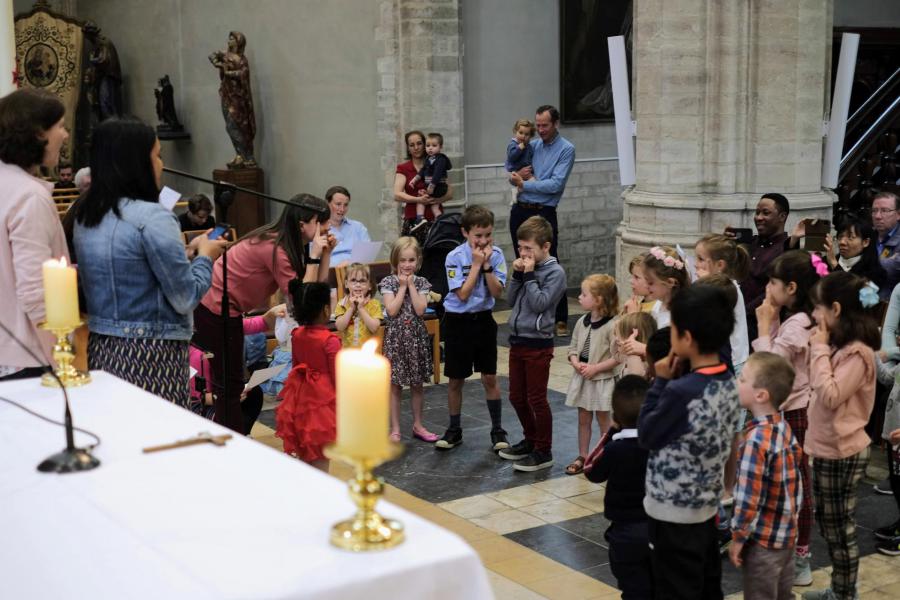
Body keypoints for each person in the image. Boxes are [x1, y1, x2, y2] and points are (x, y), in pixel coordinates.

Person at [74, 118, 226, 404]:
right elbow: (185, 296)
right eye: (157, 155)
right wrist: (206, 257)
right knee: (157, 437)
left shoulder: (87, 216)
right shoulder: (154, 217)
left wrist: (187, 253)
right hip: (151, 353)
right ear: (137, 162)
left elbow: (132, 271)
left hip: (102, 347)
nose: (161, 164)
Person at [193, 194, 333, 433]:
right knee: (230, 389)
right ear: (302, 225)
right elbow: (303, 301)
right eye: (321, 223)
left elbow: (313, 295)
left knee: (234, 387)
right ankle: (231, 448)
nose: (327, 228)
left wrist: (326, 254)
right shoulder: (275, 248)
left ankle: (234, 440)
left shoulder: (285, 243)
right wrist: (315, 256)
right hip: (213, 310)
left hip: (227, 313)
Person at [638, 284, 739, 598]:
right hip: (706, 507)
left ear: (687, 339)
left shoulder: (682, 391)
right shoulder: (729, 380)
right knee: (706, 585)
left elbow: (647, 434)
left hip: (671, 513)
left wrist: (660, 382)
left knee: (674, 588)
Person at [802, 272, 879, 600]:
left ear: (835, 309)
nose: (814, 316)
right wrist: (818, 347)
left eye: (818, 309)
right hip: (826, 447)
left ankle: (845, 594)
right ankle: (839, 587)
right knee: (830, 527)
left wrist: (819, 350)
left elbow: (831, 395)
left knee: (841, 530)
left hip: (843, 450)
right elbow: (814, 381)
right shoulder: (836, 344)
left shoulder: (858, 353)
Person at [753, 249, 820, 585]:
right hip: (790, 410)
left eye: (773, 282)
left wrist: (765, 323)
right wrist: (772, 317)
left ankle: (801, 556)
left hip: (797, 413)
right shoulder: (797, 318)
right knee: (785, 484)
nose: (768, 287)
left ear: (791, 287)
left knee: (799, 488)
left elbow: (771, 369)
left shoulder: (799, 323)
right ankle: (783, 546)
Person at [0, 89, 70, 381]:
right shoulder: (28, 196)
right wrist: (61, 361)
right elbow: (36, 290)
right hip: (24, 357)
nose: (65, 135)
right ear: (39, 133)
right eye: (61, 127)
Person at [728, 351, 803, 600]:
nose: (737, 383)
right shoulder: (784, 428)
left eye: (742, 379)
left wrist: (738, 537)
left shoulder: (755, 442)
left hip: (763, 544)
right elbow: (795, 486)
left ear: (760, 395)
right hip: (787, 538)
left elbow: (749, 498)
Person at [435, 205, 508, 451]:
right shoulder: (454, 257)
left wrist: (487, 266)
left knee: (489, 376)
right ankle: (454, 429)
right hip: (458, 321)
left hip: (484, 320)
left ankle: (498, 430)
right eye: (478, 235)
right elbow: (463, 294)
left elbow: (498, 292)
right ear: (465, 233)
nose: (483, 240)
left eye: (488, 234)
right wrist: (476, 265)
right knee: (456, 379)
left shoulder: (496, 254)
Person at [498, 216, 567, 471]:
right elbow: (511, 299)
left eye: (529, 248)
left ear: (545, 247)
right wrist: (518, 273)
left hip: (538, 343)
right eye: (520, 248)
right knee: (517, 396)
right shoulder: (526, 269)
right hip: (518, 340)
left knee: (537, 398)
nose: (523, 253)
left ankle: (544, 450)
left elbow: (540, 303)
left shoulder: (555, 272)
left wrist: (528, 275)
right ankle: (530, 439)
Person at [508, 105, 576, 337]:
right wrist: (515, 178)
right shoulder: (532, 144)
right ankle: (523, 313)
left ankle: (559, 318)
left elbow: (555, 185)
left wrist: (525, 184)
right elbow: (514, 173)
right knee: (523, 259)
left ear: (555, 123)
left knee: (550, 261)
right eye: (537, 125)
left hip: (544, 211)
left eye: (544, 125)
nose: (540, 129)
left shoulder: (566, 149)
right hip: (521, 209)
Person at [584, 375, 653, 600]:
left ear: (615, 416)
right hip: (659, 529)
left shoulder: (615, 449)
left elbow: (591, 470)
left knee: (632, 589)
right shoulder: (659, 445)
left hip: (624, 532)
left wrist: (611, 432)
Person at [276, 281, 339, 472]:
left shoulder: (297, 334)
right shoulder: (330, 340)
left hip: (301, 398)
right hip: (323, 402)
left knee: (305, 452)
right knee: (321, 457)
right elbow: (339, 379)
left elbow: (295, 367)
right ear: (326, 309)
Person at [379, 237, 437, 443]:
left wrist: (411, 286)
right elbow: (392, 310)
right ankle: (395, 428)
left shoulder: (421, 283)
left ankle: (418, 424)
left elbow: (421, 310)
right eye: (402, 260)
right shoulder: (388, 283)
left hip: (416, 338)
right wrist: (402, 287)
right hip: (396, 339)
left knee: (417, 383)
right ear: (395, 261)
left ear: (418, 261)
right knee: (395, 385)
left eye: (411, 260)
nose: (407, 265)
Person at [564, 274, 620, 475]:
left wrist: (596, 368)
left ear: (599, 299)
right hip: (583, 378)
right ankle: (583, 455)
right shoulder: (581, 321)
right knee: (583, 418)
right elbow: (572, 348)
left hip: (601, 380)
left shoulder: (613, 325)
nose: (579, 297)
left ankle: (605, 455)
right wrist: (575, 362)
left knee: (604, 420)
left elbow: (618, 357)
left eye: (584, 294)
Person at [730, 193, 790, 340]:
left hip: (761, 325)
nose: (758, 217)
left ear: (782, 217)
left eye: (766, 213)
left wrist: (744, 312)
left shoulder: (786, 249)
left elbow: (771, 291)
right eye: (757, 212)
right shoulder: (750, 243)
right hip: (736, 319)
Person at [694, 233, 751, 373]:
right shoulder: (715, 285)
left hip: (732, 360)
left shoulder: (728, 288)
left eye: (701, 259)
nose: (695, 264)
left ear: (720, 265)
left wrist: (701, 284)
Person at [393, 130, 453, 243]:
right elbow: (397, 195)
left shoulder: (438, 162)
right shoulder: (403, 168)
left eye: (419, 143)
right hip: (414, 220)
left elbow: (450, 193)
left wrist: (434, 200)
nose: (416, 147)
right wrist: (419, 200)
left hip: (435, 219)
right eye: (412, 145)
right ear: (408, 148)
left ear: (425, 144)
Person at [823, 216, 886, 291]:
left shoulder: (876, 273)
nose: (842, 242)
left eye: (850, 237)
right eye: (840, 237)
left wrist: (834, 265)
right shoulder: (826, 262)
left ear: (865, 242)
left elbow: (853, 294)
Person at [334, 262, 382, 348]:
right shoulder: (342, 304)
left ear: (370, 285)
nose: (358, 285)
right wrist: (351, 308)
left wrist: (361, 308)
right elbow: (340, 327)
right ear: (346, 284)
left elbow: (374, 327)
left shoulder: (374, 304)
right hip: (349, 355)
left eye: (362, 281)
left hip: (369, 355)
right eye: (353, 280)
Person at [409, 132, 450, 227]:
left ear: (440, 147)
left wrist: (432, 185)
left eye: (434, 145)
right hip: (435, 188)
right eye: (428, 145)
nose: (430, 148)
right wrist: (415, 179)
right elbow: (423, 170)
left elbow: (437, 173)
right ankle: (439, 216)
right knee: (433, 203)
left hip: (438, 186)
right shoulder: (429, 159)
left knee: (421, 196)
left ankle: (419, 218)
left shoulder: (441, 159)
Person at [324, 185, 370, 267]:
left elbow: (367, 255)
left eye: (345, 205)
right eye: (338, 204)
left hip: (356, 272)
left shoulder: (358, 227)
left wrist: (351, 263)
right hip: (329, 274)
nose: (342, 209)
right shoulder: (319, 230)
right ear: (327, 204)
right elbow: (314, 261)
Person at [871, 191, 900, 298]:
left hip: (890, 304)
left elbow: (891, 273)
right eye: (874, 211)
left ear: (898, 214)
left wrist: (863, 263)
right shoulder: (867, 236)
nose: (878, 216)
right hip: (864, 300)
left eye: (885, 211)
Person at [613, 312, 657, 378]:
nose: (617, 340)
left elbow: (635, 377)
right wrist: (615, 336)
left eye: (619, 336)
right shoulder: (626, 356)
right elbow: (615, 354)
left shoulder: (640, 362)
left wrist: (632, 352)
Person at [505, 119, 535, 204]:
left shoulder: (529, 146)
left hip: (527, 172)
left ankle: (515, 191)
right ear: (515, 132)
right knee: (529, 183)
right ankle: (516, 191)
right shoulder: (513, 144)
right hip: (516, 170)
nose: (523, 136)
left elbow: (530, 158)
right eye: (520, 133)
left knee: (532, 183)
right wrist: (519, 148)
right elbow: (511, 157)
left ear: (530, 136)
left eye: (527, 134)